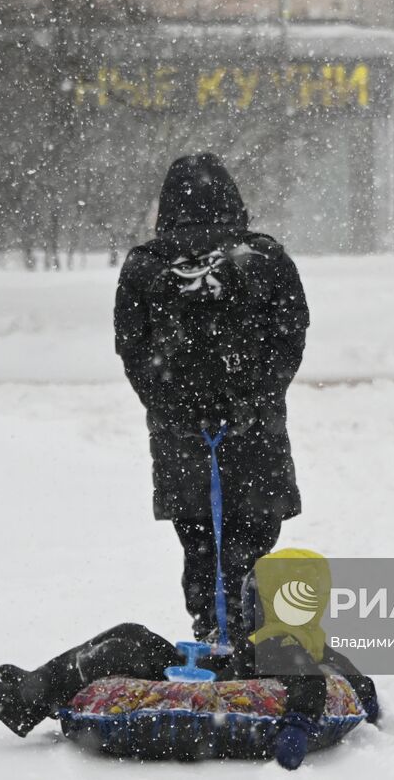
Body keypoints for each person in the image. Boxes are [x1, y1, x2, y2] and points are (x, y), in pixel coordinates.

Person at [113, 154, 309, 641]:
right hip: (254, 433)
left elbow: (132, 348)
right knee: (254, 536)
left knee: (199, 538)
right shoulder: (266, 257)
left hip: (184, 442)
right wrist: (258, 396)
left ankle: (210, 629)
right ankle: (252, 634)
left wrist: (173, 407)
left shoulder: (145, 266)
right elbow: (291, 333)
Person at [0, 550, 378, 770]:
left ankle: (32, 698)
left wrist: (299, 725)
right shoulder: (292, 640)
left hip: (207, 690)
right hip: (206, 671)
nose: (245, 602)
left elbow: (313, 682)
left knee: (123, 647)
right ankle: (36, 688)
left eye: (254, 595)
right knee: (131, 635)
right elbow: (361, 685)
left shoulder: (282, 644)